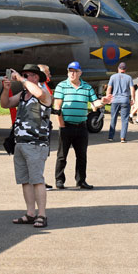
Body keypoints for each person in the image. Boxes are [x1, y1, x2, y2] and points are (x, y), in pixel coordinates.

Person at [0, 64, 53, 228]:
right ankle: (30, 213)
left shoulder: (42, 94)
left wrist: (21, 80)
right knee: (25, 181)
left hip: (36, 144)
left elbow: (39, 93)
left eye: (27, 75)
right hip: (20, 144)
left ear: (36, 77)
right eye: (22, 74)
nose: (22, 77)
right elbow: (5, 104)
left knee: (37, 180)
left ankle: (42, 215)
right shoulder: (23, 94)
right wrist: (5, 89)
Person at [54, 61, 111, 190]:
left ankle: (81, 181)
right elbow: (57, 106)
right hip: (66, 126)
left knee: (81, 156)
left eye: (75, 71)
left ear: (80, 73)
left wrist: (103, 102)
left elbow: (95, 103)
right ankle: (59, 179)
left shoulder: (87, 87)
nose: (72, 74)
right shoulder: (61, 86)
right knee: (62, 155)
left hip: (81, 126)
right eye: (70, 71)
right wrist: (61, 125)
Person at [106, 62, 134, 142]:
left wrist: (108, 97)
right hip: (125, 100)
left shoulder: (113, 77)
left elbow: (109, 88)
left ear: (118, 68)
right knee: (124, 119)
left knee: (113, 118)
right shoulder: (129, 77)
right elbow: (132, 89)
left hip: (115, 100)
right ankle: (122, 138)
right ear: (125, 69)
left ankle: (110, 137)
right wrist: (133, 99)